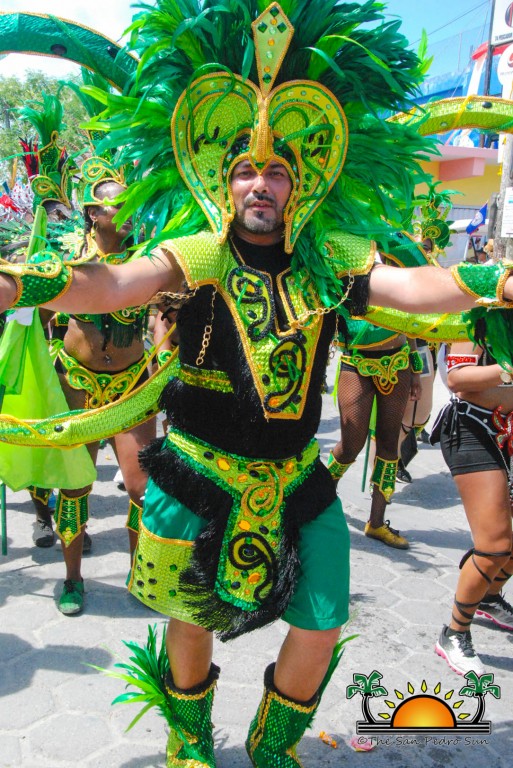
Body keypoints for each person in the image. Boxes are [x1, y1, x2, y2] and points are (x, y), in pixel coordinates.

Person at [2, 2, 513, 765]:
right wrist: (20, 283)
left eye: (276, 170)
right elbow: (113, 284)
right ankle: (189, 742)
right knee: (189, 617)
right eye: (246, 169)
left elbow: (412, 287)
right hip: (199, 472)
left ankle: (271, 749)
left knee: (322, 619)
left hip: (295, 479)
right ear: (225, 180)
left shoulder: (331, 257)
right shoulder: (202, 252)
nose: (260, 182)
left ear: (299, 183)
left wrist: (495, 279)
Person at [46, 169, 156, 615]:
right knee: (75, 487)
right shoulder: (69, 256)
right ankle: (73, 579)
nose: (128, 212)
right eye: (118, 205)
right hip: (77, 382)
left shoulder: (147, 257)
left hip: (131, 385)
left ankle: (139, 575)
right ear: (93, 213)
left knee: (141, 489)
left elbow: (172, 305)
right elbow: (37, 307)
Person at [432, 333, 513, 675]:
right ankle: (454, 633)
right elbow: (457, 379)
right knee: (495, 546)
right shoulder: (482, 313)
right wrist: (508, 369)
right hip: (472, 428)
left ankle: (488, 597)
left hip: (507, 429)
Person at [329, 311, 421, 549]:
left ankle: (377, 522)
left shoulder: (400, 281)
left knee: (389, 444)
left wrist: (415, 367)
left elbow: (408, 315)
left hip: (398, 361)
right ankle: (321, 495)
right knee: (351, 445)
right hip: (356, 361)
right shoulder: (350, 283)